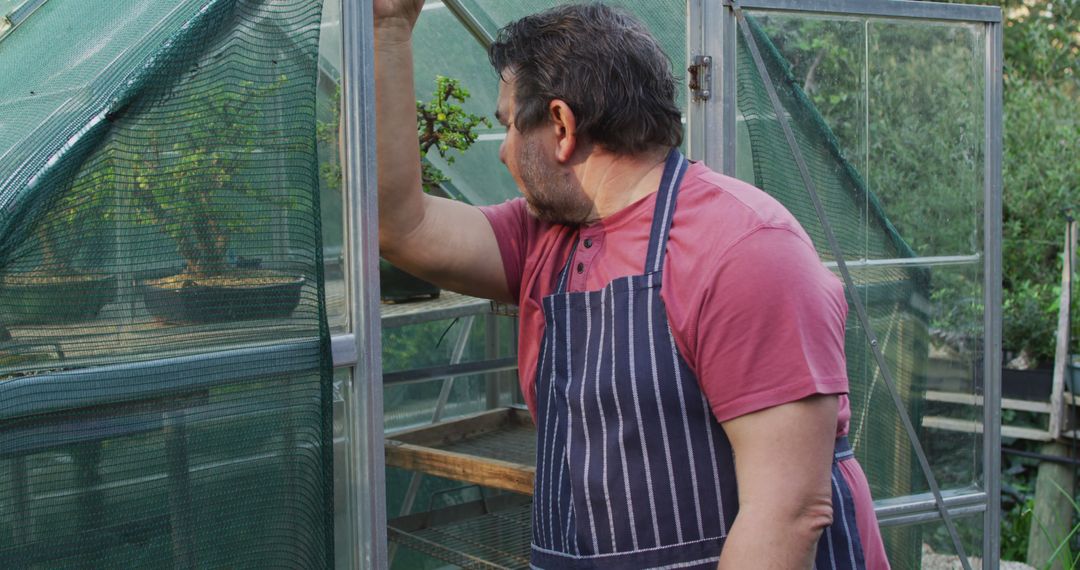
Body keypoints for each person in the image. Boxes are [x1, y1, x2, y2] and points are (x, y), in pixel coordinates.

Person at [374, 1, 889, 568]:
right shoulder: (546, 235)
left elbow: (787, 512)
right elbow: (402, 226)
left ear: (562, 126)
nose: (501, 152)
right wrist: (387, 29)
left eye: (507, 126)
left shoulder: (745, 249)